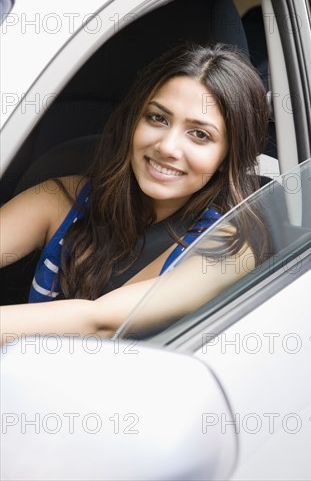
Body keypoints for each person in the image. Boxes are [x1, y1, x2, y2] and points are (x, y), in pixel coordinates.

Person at [0, 42, 269, 343]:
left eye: (200, 134)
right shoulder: (61, 197)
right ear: (135, 120)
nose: (167, 147)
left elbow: (98, 323)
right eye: (158, 118)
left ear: (227, 156)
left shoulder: (228, 248)